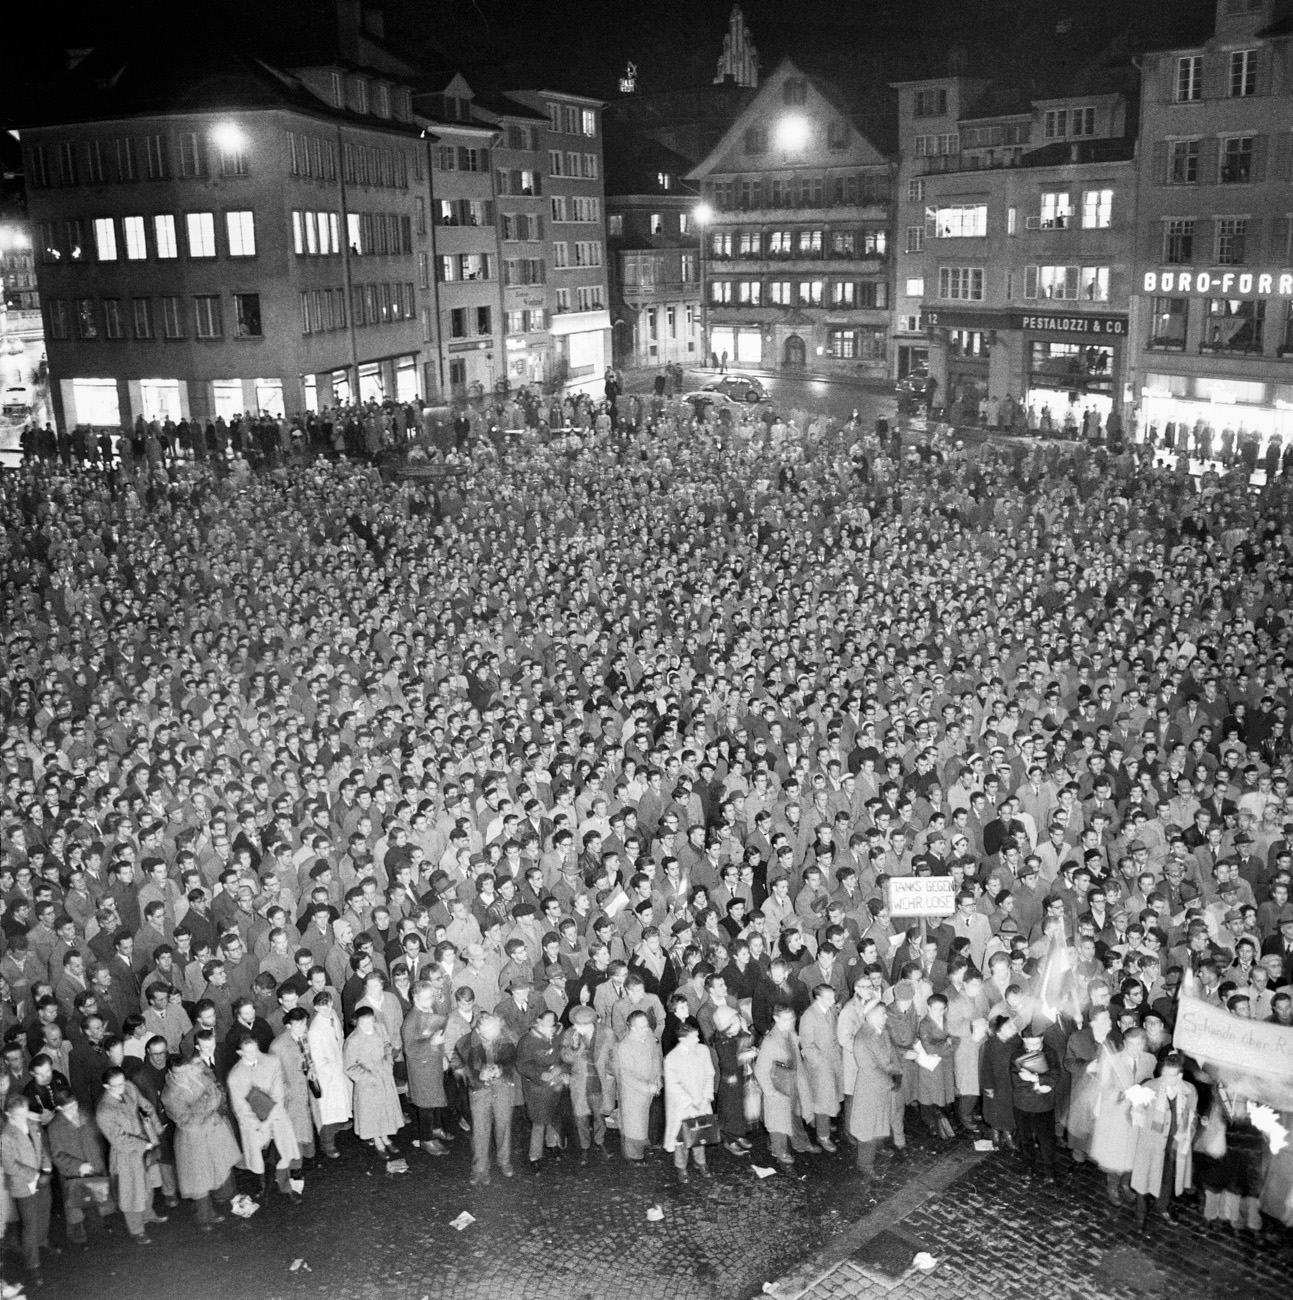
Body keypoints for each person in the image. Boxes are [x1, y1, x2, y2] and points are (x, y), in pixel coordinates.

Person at [160, 1056, 241, 1229]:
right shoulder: (169, 1095)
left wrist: (202, 1105)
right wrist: (206, 1104)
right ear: (170, 1072)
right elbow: (185, 1120)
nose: (184, 1076)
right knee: (198, 1180)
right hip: (192, 1139)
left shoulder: (196, 1076)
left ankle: (222, 1198)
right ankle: (204, 1217)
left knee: (218, 1166)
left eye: (186, 1071)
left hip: (212, 1130)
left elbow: (216, 1093)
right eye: (179, 1074)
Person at [94, 1066, 168, 1243]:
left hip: (146, 1143)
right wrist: (145, 1144)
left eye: (123, 1082)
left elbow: (146, 1105)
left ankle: (148, 1214)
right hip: (126, 1154)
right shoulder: (104, 1111)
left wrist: (156, 1128)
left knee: (148, 1183)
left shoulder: (129, 1087)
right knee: (131, 1192)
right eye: (116, 1086)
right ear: (106, 1086)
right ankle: (136, 1231)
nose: (122, 1087)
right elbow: (119, 1140)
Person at [227, 1037, 303, 1202]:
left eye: (257, 1049)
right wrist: (259, 1124)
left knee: (281, 1155)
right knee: (260, 1157)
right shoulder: (235, 1076)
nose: (255, 1054)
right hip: (254, 1125)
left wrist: (268, 1121)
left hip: (276, 1118)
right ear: (240, 1053)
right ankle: (263, 1186)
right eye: (249, 1052)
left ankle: (286, 1187)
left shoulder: (272, 1062)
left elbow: (278, 1093)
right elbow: (240, 1108)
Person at [1128, 1051, 1197, 1228]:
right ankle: (1140, 1214)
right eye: (1163, 1073)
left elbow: (1192, 1117)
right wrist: (1136, 1110)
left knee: (1167, 1177)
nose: (1164, 1078)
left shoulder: (1190, 1091)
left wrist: (1186, 1132)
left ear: (1180, 1075)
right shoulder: (1150, 1087)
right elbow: (1136, 1112)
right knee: (1144, 1178)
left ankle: (1162, 1207)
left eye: (1170, 1075)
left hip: (1174, 1143)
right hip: (1151, 1142)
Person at [454, 1011, 516, 1185]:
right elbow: (458, 1068)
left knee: (504, 1124)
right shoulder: (464, 1043)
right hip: (479, 1089)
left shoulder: (502, 1036)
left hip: (502, 1086)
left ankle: (504, 1161)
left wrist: (501, 1068)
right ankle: (480, 1168)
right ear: (479, 1031)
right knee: (480, 1129)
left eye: (496, 1032)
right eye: (489, 1035)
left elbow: (512, 1058)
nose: (494, 1038)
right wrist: (477, 1076)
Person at [47, 1087, 115, 1246]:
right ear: (58, 1108)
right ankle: (78, 1234)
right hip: (74, 1172)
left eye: (74, 1104)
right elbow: (57, 1155)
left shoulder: (85, 1113)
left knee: (96, 1202)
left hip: (93, 1165)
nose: (73, 1109)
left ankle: (97, 1231)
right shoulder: (54, 1127)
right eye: (68, 1108)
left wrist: (98, 1157)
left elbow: (97, 1137)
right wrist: (78, 1166)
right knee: (77, 1208)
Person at [848, 1000, 903, 1190]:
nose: (886, 1016)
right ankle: (865, 1165)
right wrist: (890, 1083)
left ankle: (878, 1147)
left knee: (880, 1121)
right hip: (870, 1089)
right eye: (882, 1013)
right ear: (870, 1015)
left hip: (882, 1087)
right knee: (867, 1130)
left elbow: (891, 1056)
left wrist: (896, 1073)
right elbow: (870, 1068)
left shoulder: (882, 1032)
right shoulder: (862, 1039)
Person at [754, 1003, 817, 1167]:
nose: (790, 1022)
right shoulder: (769, 1042)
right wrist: (770, 1092)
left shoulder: (790, 1034)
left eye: (792, 1018)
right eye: (786, 1019)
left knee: (795, 1114)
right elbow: (760, 1070)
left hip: (793, 1081)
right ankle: (779, 1150)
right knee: (778, 1121)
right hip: (778, 1085)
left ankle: (801, 1142)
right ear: (775, 1019)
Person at [1, 1093, 54, 1283]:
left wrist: (46, 1168)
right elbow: (10, 1165)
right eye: (19, 1115)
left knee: (43, 1213)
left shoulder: (32, 1125)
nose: (25, 1118)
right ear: (8, 1114)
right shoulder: (6, 1136)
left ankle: (42, 1242)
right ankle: (33, 1264)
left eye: (26, 1113)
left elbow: (42, 1149)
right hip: (24, 1185)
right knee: (29, 1226)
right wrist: (36, 1176)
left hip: (41, 1179)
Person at [343, 1005, 404, 1156]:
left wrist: (389, 1062)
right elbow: (349, 1067)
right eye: (364, 1022)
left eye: (370, 1021)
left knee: (384, 1109)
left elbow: (387, 1045)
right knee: (372, 1112)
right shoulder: (353, 1041)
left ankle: (385, 1136)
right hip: (368, 1082)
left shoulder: (379, 1028)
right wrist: (369, 1078)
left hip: (384, 1075)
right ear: (357, 1022)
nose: (368, 1025)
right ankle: (377, 1139)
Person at [662, 1017, 716, 1183]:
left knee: (700, 1134)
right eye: (693, 1037)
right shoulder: (671, 1058)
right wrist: (689, 1103)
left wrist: (706, 1098)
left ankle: (701, 1163)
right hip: (682, 1106)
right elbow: (673, 1086)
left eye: (697, 1036)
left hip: (701, 1101)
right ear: (682, 1039)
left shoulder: (703, 1050)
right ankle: (681, 1167)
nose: (698, 1040)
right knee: (682, 1137)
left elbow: (709, 1074)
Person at [401, 981, 451, 1157]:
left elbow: (439, 1035)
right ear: (415, 998)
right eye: (427, 997)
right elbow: (410, 1048)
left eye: (432, 996)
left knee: (435, 1099)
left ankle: (435, 1129)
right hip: (422, 1068)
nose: (431, 1000)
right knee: (426, 1105)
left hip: (434, 1063)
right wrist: (431, 1043)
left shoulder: (429, 1011)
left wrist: (443, 1055)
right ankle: (426, 1139)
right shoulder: (411, 1020)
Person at [515, 1008, 568, 1173]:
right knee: (539, 1120)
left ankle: (552, 1143)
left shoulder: (558, 1035)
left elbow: (564, 1055)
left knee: (553, 1115)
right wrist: (540, 1074)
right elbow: (523, 1064)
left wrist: (561, 1069)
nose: (549, 1026)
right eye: (546, 1022)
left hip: (555, 1083)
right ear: (538, 1021)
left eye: (552, 1023)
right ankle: (534, 1156)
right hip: (537, 1087)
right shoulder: (528, 1040)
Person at [561, 1005, 613, 1164]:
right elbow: (565, 1058)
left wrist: (611, 1071)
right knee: (580, 1116)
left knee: (600, 1114)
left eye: (579, 1025)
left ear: (591, 1023)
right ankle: (584, 1146)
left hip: (599, 1081)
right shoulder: (570, 1034)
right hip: (580, 1083)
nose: (575, 1027)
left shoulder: (606, 1032)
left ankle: (599, 1141)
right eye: (575, 1024)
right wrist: (575, 1047)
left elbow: (613, 1054)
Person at [612, 1009, 662, 1162]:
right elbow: (626, 1075)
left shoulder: (649, 1037)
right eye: (641, 1027)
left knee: (643, 1119)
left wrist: (657, 1078)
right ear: (632, 1028)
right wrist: (647, 1087)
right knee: (633, 1123)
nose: (645, 1029)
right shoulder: (625, 1046)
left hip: (649, 1087)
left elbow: (655, 1058)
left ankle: (643, 1144)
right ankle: (634, 1156)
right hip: (633, 1092)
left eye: (646, 1025)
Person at [798, 983, 843, 1151]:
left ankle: (822, 1122)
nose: (833, 1001)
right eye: (829, 998)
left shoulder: (830, 1010)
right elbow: (807, 1046)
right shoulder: (808, 1016)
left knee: (830, 1097)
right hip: (819, 1066)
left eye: (833, 997)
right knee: (822, 1101)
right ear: (818, 998)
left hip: (833, 1061)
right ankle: (823, 1136)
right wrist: (822, 1065)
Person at [307, 993, 351, 1158]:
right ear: (316, 1007)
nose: (327, 1010)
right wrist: (334, 1073)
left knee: (340, 1107)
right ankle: (327, 1144)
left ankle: (341, 1122)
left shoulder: (333, 1016)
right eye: (322, 1007)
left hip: (339, 1069)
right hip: (328, 1077)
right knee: (328, 1113)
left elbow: (340, 1038)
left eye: (329, 1005)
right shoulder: (315, 1030)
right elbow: (319, 1061)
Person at [710, 1004, 755, 1156]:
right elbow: (727, 1063)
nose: (738, 1025)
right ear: (725, 1027)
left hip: (739, 1078)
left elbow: (747, 1037)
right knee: (729, 1111)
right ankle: (730, 1140)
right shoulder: (722, 1042)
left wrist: (742, 1024)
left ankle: (738, 1135)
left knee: (739, 1109)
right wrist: (745, 1057)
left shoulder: (735, 1035)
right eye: (734, 1023)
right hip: (729, 1081)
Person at [979, 1016, 1018, 1150]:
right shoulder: (989, 1045)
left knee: (1008, 1110)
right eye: (1009, 1026)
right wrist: (987, 1087)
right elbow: (985, 1067)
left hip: (1010, 1083)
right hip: (995, 1084)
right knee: (994, 1110)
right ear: (999, 1029)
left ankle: (1007, 1133)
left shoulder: (1015, 1042)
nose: (1013, 1028)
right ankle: (995, 1132)